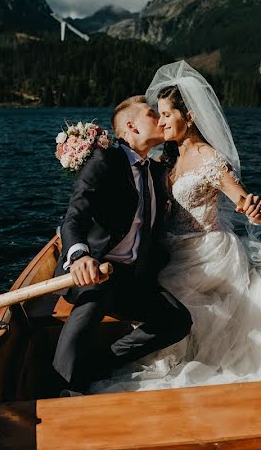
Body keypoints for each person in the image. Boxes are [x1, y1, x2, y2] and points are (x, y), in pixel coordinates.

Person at [90, 61, 261, 393]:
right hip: (170, 247)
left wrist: (252, 204)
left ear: (191, 117)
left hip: (207, 251)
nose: (161, 120)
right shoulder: (166, 158)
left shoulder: (210, 159)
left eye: (167, 114)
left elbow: (239, 195)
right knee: (150, 282)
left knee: (167, 290)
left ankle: (148, 357)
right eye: (160, 114)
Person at [50, 95, 193, 395]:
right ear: (131, 126)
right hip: (94, 268)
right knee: (94, 296)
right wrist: (79, 257)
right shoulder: (104, 161)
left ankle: (100, 364)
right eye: (152, 113)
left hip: (130, 277)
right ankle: (63, 387)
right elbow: (74, 217)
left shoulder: (155, 172)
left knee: (178, 320)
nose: (160, 118)